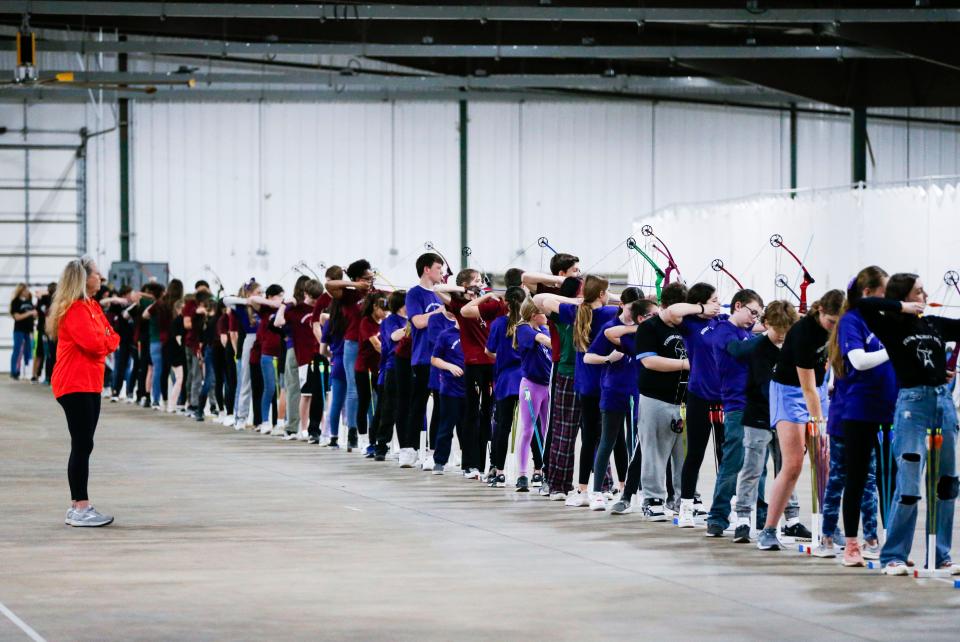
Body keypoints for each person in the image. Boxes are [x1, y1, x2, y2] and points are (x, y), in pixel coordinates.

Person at [854, 273, 960, 575]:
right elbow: (861, 304)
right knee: (910, 486)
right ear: (903, 296)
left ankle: (941, 555)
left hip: (942, 403)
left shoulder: (934, 324)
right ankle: (894, 556)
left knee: (948, 484)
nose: (924, 295)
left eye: (924, 291)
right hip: (912, 407)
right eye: (918, 291)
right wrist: (900, 307)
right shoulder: (891, 324)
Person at [757, 290, 844, 551]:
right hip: (789, 391)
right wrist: (818, 424)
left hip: (816, 390)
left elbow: (828, 367)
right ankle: (769, 530)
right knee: (793, 464)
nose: (834, 327)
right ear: (819, 312)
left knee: (826, 464)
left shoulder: (839, 327)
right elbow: (806, 388)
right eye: (831, 322)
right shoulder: (803, 333)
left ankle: (830, 527)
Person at [823, 266, 896, 565]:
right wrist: (894, 349)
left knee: (877, 478)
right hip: (852, 412)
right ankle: (840, 538)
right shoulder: (852, 321)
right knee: (847, 478)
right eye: (885, 291)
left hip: (885, 408)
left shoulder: (883, 320)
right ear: (868, 293)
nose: (890, 298)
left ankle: (876, 539)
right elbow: (860, 361)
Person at [49, 256, 120, 527]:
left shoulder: (92, 306)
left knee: (85, 443)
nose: (100, 278)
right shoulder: (76, 309)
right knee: (82, 444)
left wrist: (104, 339)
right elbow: (94, 343)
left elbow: (113, 336)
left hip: (90, 382)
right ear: (83, 278)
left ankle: (78, 506)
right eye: (97, 274)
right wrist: (104, 340)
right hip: (73, 382)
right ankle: (80, 507)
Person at [732, 301, 803, 543]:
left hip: (787, 416)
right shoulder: (757, 347)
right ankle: (743, 518)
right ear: (766, 324)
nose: (783, 334)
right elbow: (735, 352)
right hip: (759, 415)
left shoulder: (793, 347)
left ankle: (792, 519)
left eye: (788, 329)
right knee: (752, 468)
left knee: (789, 468)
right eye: (778, 329)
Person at [677, 283, 727, 526]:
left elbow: (756, 325)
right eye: (714, 300)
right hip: (699, 396)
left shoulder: (724, 321)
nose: (718, 304)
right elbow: (671, 311)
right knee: (695, 453)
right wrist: (700, 308)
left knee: (725, 453)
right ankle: (686, 505)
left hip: (724, 397)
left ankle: (724, 508)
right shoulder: (690, 324)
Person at [400, 253, 447, 468]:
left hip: (441, 357)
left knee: (440, 404)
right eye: (439, 268)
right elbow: (418, 322)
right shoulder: (414, 294)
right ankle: (409, 449)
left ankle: (433, 452)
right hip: (421, 356)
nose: (442, 272)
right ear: (427, 269)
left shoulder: (442, 294)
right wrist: (439, 312)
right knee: (417, 403)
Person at [325, 259, 375, 450]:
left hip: (371, 344)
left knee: (372, 390)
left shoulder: (374, 294)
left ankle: (372, 432)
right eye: (366, 278)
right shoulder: (348, 294)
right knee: (354, 389)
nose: (370, 281)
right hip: (353, 344)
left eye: (371, 277)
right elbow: (329, 285)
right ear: (356, 278)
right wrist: (355, 285)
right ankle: (353, 431)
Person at [484, 287, 527, 488]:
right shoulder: (527, 325)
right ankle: (535, 471)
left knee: (502, 425)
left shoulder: (498, 323)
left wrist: (503, 356)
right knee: (531, 426)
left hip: (506, 379)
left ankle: (499, 470)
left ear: (506, 303)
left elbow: (489, 351)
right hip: (527, 378)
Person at [511, 298, 552, 492]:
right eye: (544, 312)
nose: (547, 316)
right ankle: (521, 474)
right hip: (531, 387)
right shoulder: (524, 329)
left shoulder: (544, 329)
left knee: (546, 430)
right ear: (535, 314)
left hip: (547, 386)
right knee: (528, 430)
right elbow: (544, 341)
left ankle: (544, 471)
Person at [430, 315, 467, 474]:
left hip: (469, 388)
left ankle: (469, 463)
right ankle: (439, 461)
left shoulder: (474, 334)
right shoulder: (446, 334)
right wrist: (449, 366)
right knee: (446, 425)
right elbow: (434, 359)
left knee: (466, 428)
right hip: (449, 388)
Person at [356, 292, 387, 453]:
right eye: (383, 309)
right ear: (375, 307)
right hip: (364, 369)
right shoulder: (366, 322)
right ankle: (363, 439)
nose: (386, 312)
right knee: (365, 402)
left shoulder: (384, 322)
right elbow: (376, 344)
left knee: (382, 404)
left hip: (379, 369)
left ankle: (376, 439)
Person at [10, 282, 37, 380]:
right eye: (25, 290)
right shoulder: (16, 302)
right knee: (17, 350)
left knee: (29, 351)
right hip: (19, 330)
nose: (27, 291)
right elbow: (17, 317)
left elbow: (34, 314)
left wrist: (34, 314)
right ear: (20, 291)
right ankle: (14, 372)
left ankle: (27, 371)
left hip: (29, 330)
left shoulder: (29, 301)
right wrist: (30, 313)